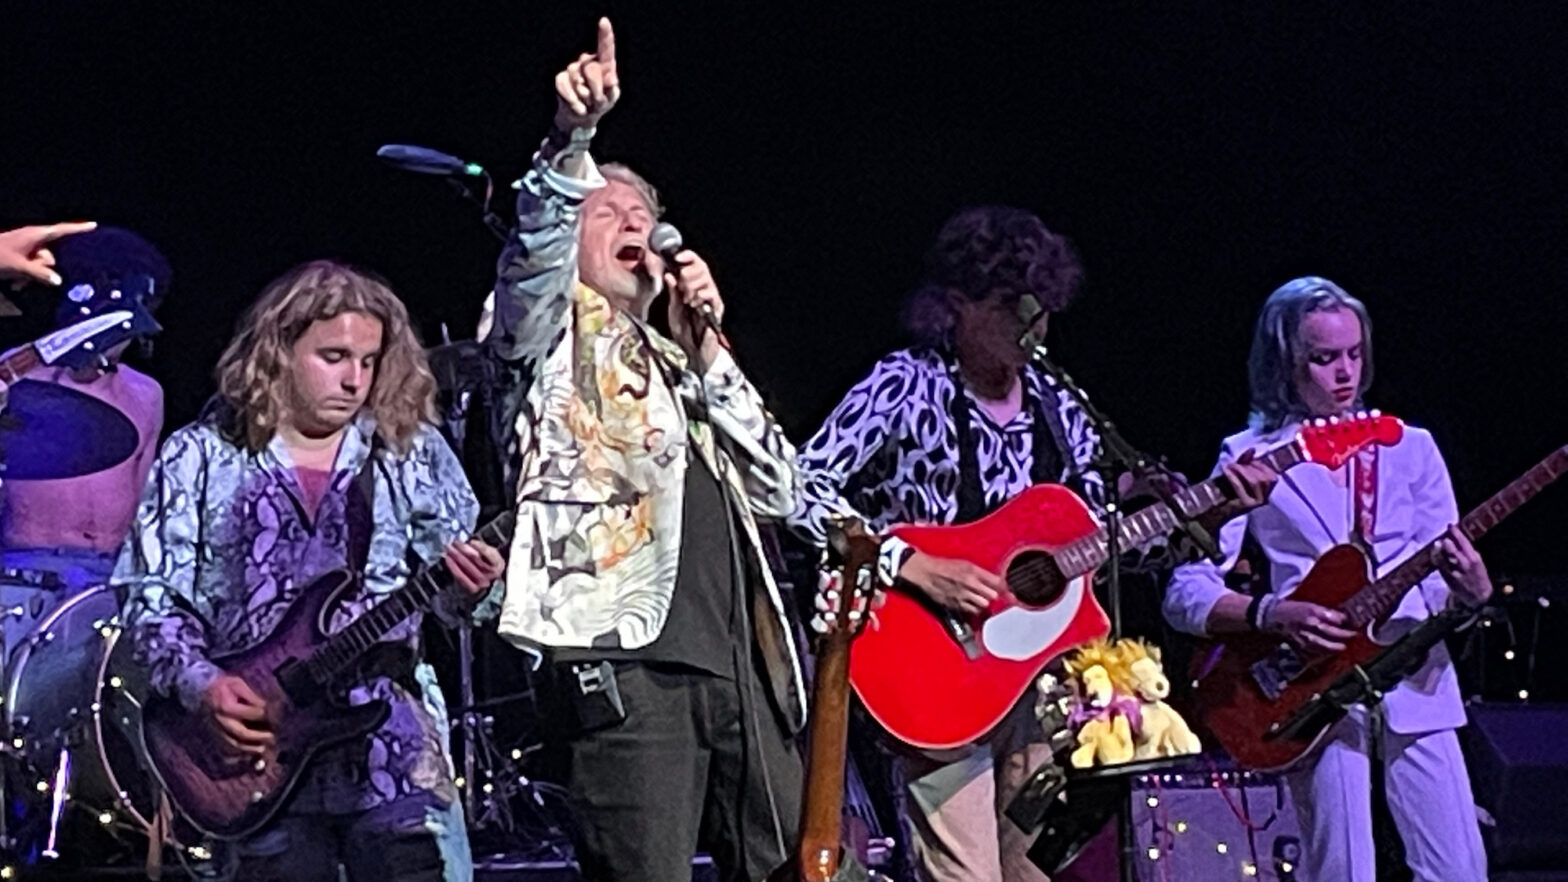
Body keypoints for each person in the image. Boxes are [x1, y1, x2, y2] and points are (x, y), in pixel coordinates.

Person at [787, 205, 1277, 882]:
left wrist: (1212, 510)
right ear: (956, 305)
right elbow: (796, 490)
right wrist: (917, 564)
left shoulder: (1057, 403)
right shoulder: (903, 384)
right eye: (1011, 309)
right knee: (968, 875)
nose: (1033, 328)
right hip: (929, 665)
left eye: (1043, 311)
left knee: (1033, 874)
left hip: (1034, 683)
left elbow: (1099, 548)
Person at [482, 18, 807, 882]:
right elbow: (529, 265)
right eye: (609, 211)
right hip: (624, 665)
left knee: (790, 870)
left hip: (743, 664)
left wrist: (706, 347)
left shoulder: (686, 358)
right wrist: (571, 140)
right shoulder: (549, 336)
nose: (636, 224)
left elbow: (781, 490)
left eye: (646, 215)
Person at [114, 260, 505, 882]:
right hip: (251, 758)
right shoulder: (200, 455)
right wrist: (203, 687)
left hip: (391, 749)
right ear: (278, 352)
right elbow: (151, 599)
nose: (355, 380)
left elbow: (463, 604)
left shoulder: (411, 452)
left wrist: (475, 585)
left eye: (369, 361)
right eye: (334, 356)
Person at [1162, 276, 1490, 882]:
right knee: (1341, 870)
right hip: (1312, 686)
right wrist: (1272, 613)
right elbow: (1186, 591)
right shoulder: (1249, 456)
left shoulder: (1411, 448)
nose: (1343, 373)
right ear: (1285, 363)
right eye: (1323, 358)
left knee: (1460, 869)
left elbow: (1444, 582)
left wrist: (1471, 597)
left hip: (1415, 677)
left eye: (1353, 354)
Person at [0, 226, 166, 647]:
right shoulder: (11, 374)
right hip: (20, 579)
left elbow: (142, 504)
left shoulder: (146, 394)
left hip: (108, 584)